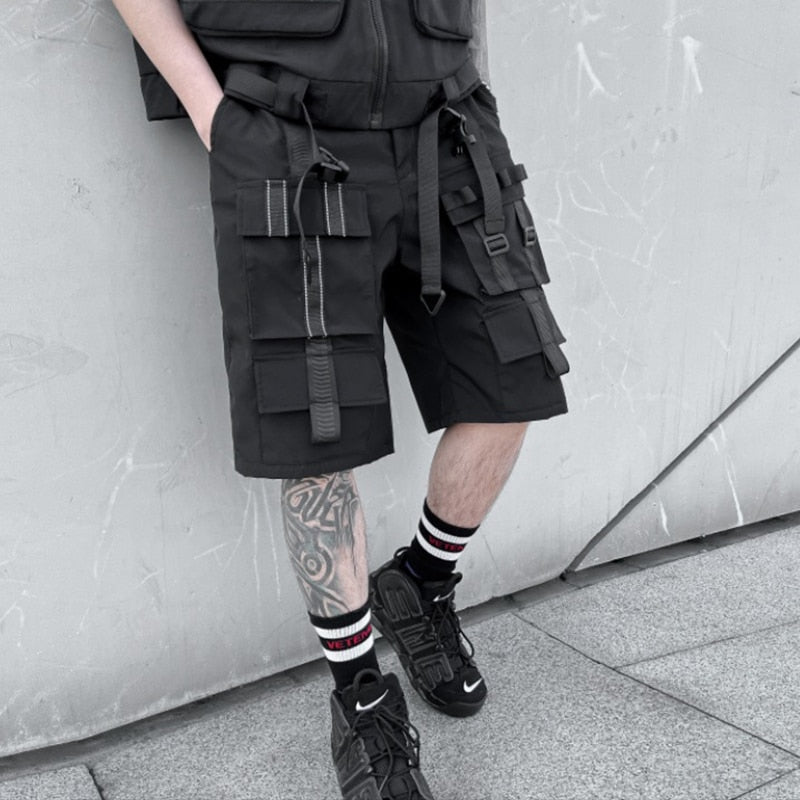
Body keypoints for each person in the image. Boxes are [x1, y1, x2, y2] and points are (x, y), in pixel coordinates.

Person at [110, 2, 569, 797]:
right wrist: (215, 115)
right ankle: (361, 694)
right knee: (318, 430)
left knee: (514, 377)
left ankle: (420, 582)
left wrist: (471, 71)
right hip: (290, 134)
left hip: (449, 127)